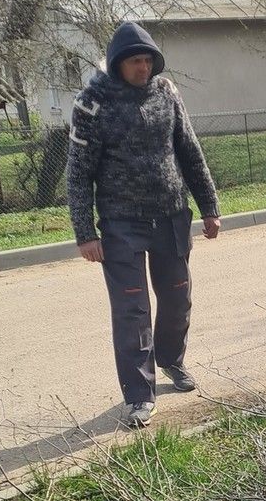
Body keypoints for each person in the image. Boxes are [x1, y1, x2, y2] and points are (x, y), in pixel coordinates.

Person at [67, 22, 221, 428]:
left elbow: (190, 150)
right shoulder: (92, 103)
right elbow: (78, 173)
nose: (143, 67)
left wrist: (209, 206)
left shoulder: (166, 92)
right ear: (119, 63)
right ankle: (139, 395)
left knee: (176, 298)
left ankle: (171, 360)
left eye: (148, 60)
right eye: (136, 61)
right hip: (121, 224)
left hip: (171, 216)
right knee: (132, 310)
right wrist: (85, 233)